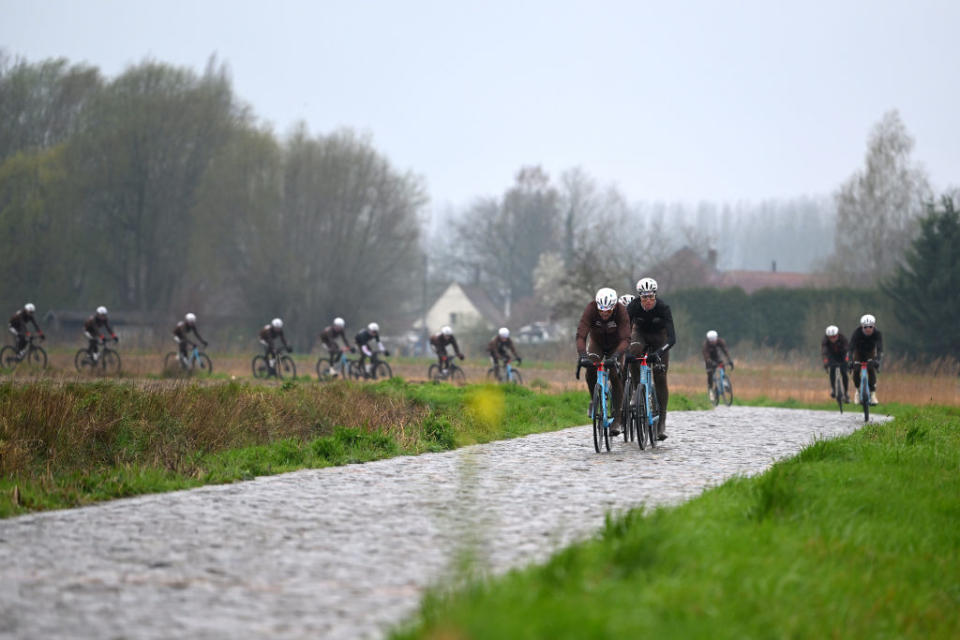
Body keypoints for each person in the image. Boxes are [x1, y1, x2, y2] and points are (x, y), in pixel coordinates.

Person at [626, 277, 676, 441]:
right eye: (644, 297)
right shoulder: (633, 306)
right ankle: (636, 389)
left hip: (659, 339)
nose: (647, 301)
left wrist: (659, 352)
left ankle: (661, 421)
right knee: (634, 353)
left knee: (660, 376)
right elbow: (624, 332)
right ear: (640, 297)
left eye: (651, 297)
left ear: (655, 296)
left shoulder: (663, 308)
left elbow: (672, 339)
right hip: (640, 333)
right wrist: (625, 351)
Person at [576, 287, 630, 436]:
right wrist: (582, 355)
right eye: (602, 311)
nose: (604, 314)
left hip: (616, 345)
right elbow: (581, 336)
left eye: (608, 311)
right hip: (597, 343)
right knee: (591, 369)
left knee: (615, 375)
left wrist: (616, 356)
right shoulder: (591, 309)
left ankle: (617, 418)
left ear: (613, 307)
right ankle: (595, 399)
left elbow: (626, 338)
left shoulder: (621, 311)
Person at [847, 314, 883, 405]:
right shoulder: (857, 333)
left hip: (870, 353)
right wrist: (850, 360)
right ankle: (858, 391)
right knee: (856, 370)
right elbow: (850, 348)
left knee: (871, 368)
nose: (868, 329)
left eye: (870, 327)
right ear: (862, 326)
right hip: (858, 353)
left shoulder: (877, 333)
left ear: (873, 326)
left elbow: (879, 349)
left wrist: (878, 360)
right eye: (865, 327)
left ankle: (873, 394)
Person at [702, 329, 733, 400]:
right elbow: (706, 356)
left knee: (722, 365)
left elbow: (725, 350)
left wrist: (729, 360)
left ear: (716, 338)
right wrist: (710, 361)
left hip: (717, 357)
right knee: (710, 374)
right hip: (709, 359)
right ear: (709, 340)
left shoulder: (720, 341)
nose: (713, 342)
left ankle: (724, 381)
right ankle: (710, 390)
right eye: (711, 341)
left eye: (714, 340)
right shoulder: (705, 345)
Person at [821, 325, 849, 402]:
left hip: (842, 355)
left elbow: (847, 350)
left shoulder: (843, 338)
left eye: (834, 336)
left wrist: (847, 360)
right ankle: (833, 389)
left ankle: (846, 392)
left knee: (844, 373)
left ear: (837, 335)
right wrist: (826, 363)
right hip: (832, 357)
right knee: (832, 372)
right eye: (831, 337)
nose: (833, 339)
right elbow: (824, 352)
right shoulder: (825, 341)